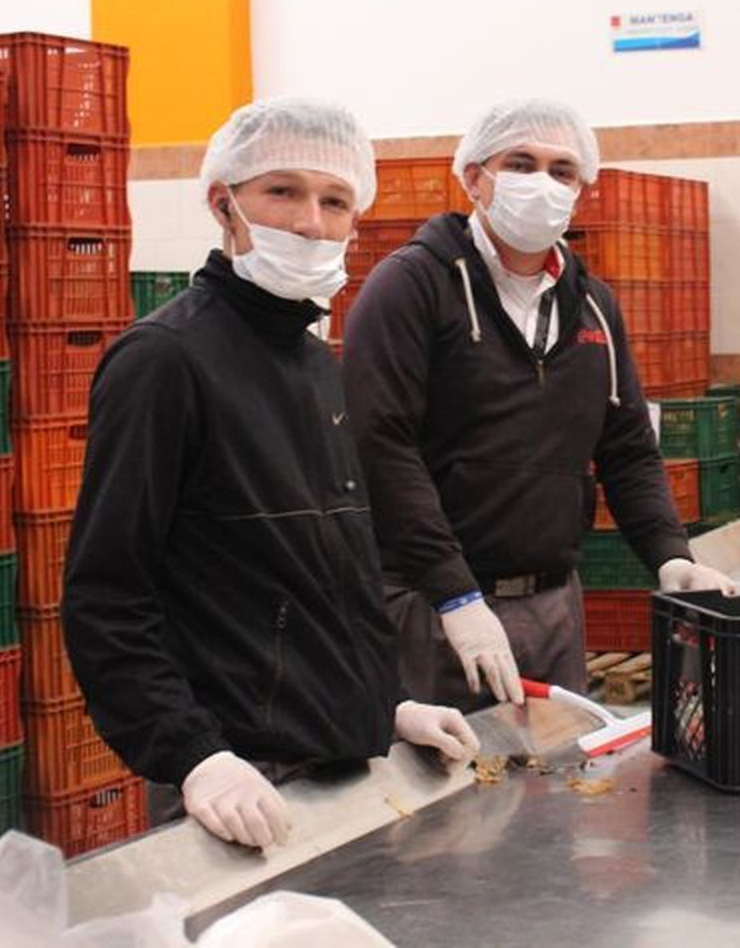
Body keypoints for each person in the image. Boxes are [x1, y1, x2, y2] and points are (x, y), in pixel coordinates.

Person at [63, 99, 479, 851]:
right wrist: (194, 756)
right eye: (281, 192)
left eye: (334, 200)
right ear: (224, 203)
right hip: (240, 780)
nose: (311, 223)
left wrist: (380, 705)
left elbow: (322, 577)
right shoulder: (165, 362)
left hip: (334, 760)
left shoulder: (316, 362)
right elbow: (107, 597)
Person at [343, 98, 733, 712]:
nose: (543, 184)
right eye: (521, 163)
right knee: (447, 794)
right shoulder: (412, 286)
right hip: (433, 606)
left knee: (554, 794)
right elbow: (380, 445)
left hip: (553, 606)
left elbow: (628, 447)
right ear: (474, 177)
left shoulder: (594, 305)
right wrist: (454, 595)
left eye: (562, 171)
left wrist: (671, 556)